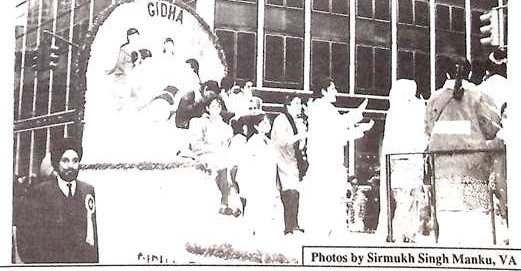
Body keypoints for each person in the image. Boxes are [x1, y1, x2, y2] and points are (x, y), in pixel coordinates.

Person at [425, 57, 501, 245]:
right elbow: (491, 128)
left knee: (448, 212)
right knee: (475, 211)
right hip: (474, 164)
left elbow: (428, 129)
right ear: (469, 73)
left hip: (443, 165)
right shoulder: (479, 95)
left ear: (447, 73)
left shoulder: (435, 97)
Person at [301, 78, 374, 237]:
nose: (336, 92)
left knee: (332, 196)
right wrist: (358, 113)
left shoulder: (325, 108)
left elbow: (338, 132)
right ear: (324, 91)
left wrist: (360, 128)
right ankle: (323, 229)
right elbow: (339, 126)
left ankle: (328, 229)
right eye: (333, 89)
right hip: (325, 162)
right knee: (327, 196)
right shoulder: (321, 108)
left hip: (329, 159)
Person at [17, 138, 98, 263]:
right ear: (56, 163)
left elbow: (93, 235)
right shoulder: (40, 192)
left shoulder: (87, 190)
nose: (71, 166)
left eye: (75, 161)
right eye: (65, 161)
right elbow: (25, 236)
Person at [377, 79, 429, 243]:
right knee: (405, 200)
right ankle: (399, 233)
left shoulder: (405, 111)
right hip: (403, 163)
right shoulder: (402, 111)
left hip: (406, 162)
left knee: (410, 200)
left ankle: (407, 232)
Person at [189, 95, 234, 215]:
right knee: (218, 164)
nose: (216, 109)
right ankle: (219, 202)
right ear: (207, 108)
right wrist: (213, 149)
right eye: (213, 106)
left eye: (218, 106)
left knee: (230, 164)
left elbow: (228, 144)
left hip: (221, 155)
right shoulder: (199, 123)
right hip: (206, 154)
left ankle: (227, 202)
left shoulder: (225, 127)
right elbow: (196, 144)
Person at [239, 113, 283, 236]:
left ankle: (265, 232)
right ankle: (251, 232)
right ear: (256, 126)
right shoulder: (253, 142)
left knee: (268, 206)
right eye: (263, 123)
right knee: (255, 205)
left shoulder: (269, 142)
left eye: (268, 123)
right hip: (257, 180)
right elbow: (247, 163)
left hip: (268, 178)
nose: (266, 126)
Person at [271, 93, 307, 235]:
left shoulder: (295, 121)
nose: (300, 107)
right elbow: (281, 141)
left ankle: (294, 224)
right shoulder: (281, 119)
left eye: (300, 104)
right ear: (288, 105)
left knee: (295, 191)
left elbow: (299, 145)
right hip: (281, 160)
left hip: (292, 160)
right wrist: (300, 136)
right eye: (296, 103)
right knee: (288, 191)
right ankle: (288, 226)